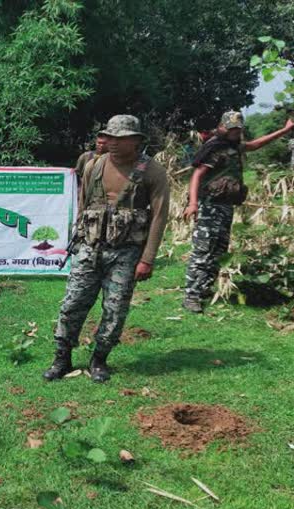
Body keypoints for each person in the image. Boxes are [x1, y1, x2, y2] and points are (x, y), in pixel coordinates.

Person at [45, 115, 170, 383]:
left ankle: (99, 359)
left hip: (126, 253)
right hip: (90, 247)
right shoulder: (94, 166)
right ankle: (61, 358)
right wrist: (78, 239)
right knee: (72, 304)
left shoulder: (152, 172)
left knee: (115, 310)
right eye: (110, 137)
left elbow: (159, 217)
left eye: (120, 138)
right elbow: (83, 205)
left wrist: (147, 259)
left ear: (136, 141)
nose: (112, 143)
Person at [181, 111, 294, 313]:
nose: (234, 132)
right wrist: (193, 203)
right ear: (222, 127)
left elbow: (256, 144)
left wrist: (284, 130)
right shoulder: (215, 148)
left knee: (218, 251)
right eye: (230, 128)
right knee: (203, 251)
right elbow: (197, 175)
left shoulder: (235, 147)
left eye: (238, 129)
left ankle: (203, 289)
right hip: (209, 206)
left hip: (225, 207)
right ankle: (191, 296)